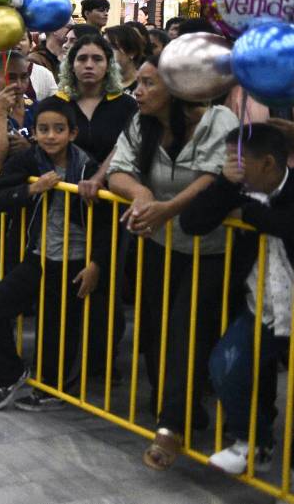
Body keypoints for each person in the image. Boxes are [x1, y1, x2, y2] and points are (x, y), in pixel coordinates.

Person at [106, 57, 237, 470]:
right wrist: (143, 196)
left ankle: (172, 423)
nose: (137, 91)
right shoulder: (140, 123)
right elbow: (118, 173)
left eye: (147, 84)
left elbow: (214, 177)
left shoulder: (220, 120)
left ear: (177, 87)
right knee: (155, 327)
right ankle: (182, 409)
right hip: (160, 244)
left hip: (210, 250)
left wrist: (167, 208)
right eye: (138, 83)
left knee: (186, 328)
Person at [0, 97, 111, 411]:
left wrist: (96, 263)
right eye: (43, 129)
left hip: (75, 260)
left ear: (72, 133)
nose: (50, 136)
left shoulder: (88, 166)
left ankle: (53, 388)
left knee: (59, 327)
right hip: (37, 255)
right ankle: (11, 373)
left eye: (58, 129)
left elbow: (108, 223)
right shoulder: (29, 160)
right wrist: (31, 190)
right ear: (35, 132)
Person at [180, 124, 293, 475]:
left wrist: (252, 215)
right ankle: (252, 441)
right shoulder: (236, 187)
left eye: (236, 160)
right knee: (224, 368)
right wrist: (226, 186)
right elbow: (192, 222)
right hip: (260, 305)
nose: (229, 166)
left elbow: (286, 226)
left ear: (268, 163)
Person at [55, 34, 137, 198]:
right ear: (71, 65)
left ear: (108, 66)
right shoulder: (56, 104)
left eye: (97, 59)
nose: (89, 65)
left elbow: (129, 146)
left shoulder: (127, 105)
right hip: (63, 198)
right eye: (82, 59)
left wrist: (99, 176)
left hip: (114, 200)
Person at [14, 32, 57, 101]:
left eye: (21, 39)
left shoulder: (44, 74)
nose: (15, 42)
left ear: (31, 46)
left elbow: (55, 103)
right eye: (10, 39)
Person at [104, 25, 145, 93]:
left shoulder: (144, 86)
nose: (104, 52)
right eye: (102, 46)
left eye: (110, 47)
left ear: (131, 52)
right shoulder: (97, 86)